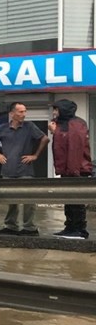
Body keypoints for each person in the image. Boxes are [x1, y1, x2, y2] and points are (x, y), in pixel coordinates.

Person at [0, 102, 48, 236]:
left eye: (25, 111)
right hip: (8, 169)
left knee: (28, 200)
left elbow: (45, 138)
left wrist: (35, 155)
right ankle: (11, 225)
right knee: (10, 200)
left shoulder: (29, 126)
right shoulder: (4, 128)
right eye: (20, 112)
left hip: (25, 170)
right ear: (12, 114)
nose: (24, 114)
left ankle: (29, 227)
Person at [48, 99, 93, 240]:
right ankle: (70, 227)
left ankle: (79, 230)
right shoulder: (63, 124)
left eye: (56, 109)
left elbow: (74, 148)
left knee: (76, 200)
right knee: (69, 200)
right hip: (68, 170)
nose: (54, 112)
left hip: (76, 170)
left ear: (63, 110)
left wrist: (56, 132)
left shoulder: (76, 124)